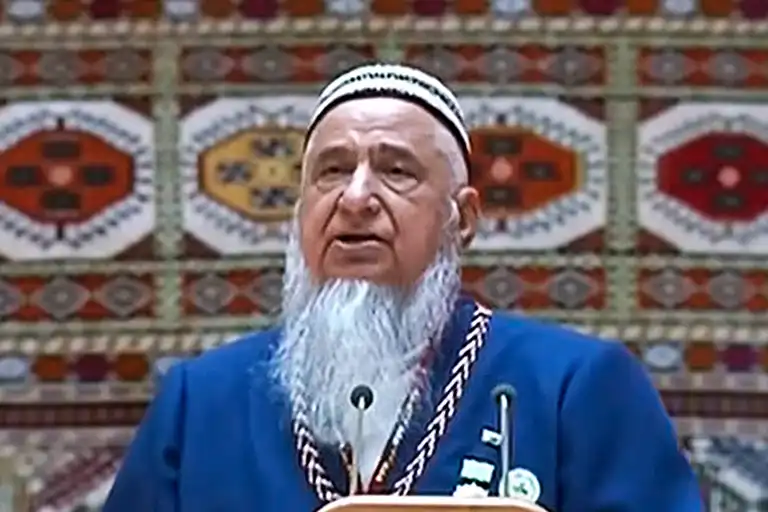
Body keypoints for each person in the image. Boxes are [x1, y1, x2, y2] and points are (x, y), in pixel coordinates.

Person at [103, 64, 703, 512]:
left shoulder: (574, 386)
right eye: (332, 171)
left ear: (461, 219)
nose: (356, 197)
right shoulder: (200, 402)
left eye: (395, 171)